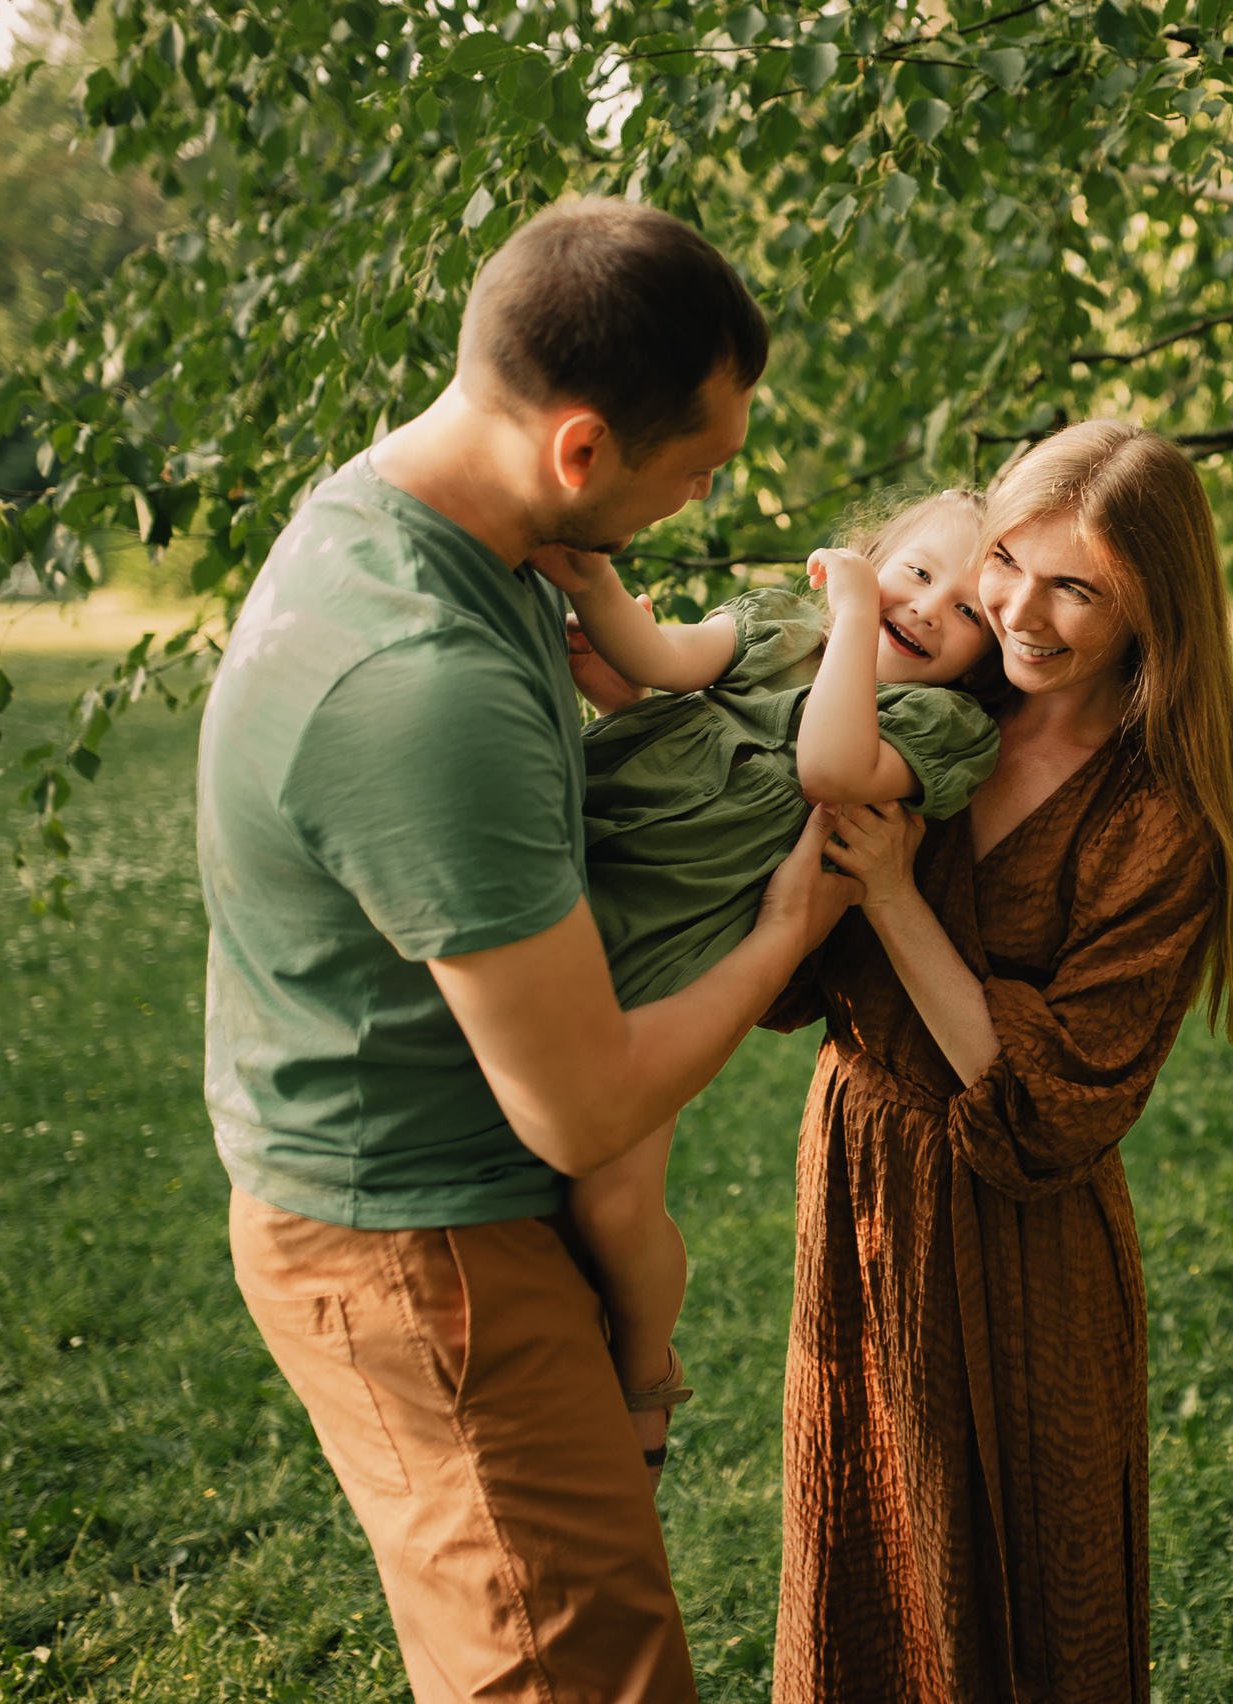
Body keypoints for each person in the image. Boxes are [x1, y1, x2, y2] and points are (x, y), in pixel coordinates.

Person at [197, 198, 855, 1704]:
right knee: (576, 1674)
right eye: (693, 472)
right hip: (423, 1251)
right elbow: (585, 1101)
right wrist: (787, 929)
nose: (695, 504)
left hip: (413, 1205)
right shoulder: (420, 686)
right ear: (578, 448)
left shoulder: (405, 523)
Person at [768, 420, 1233, 1702]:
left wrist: (890, 892)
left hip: (1020, 1233)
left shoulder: (1159, 817)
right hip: (865, 1183)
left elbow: (1051, 1104)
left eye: (1076, 589)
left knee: (1032, 1577)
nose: (1021, 613)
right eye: (1006, 565)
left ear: (1154, 606)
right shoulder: (939, 707)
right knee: (866, 1549)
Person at [533, 490, 1004, 1477]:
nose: (925, 609)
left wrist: (858, 620)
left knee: (615, 1202)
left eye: (969, 611)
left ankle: (643, 1367)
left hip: (674, 954)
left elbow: (830, 768)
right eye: (917, 573)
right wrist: (595, 579)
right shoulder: (779, 621)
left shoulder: (942, 724)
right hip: (575, 861)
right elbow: (657, 657)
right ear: (872, 558)